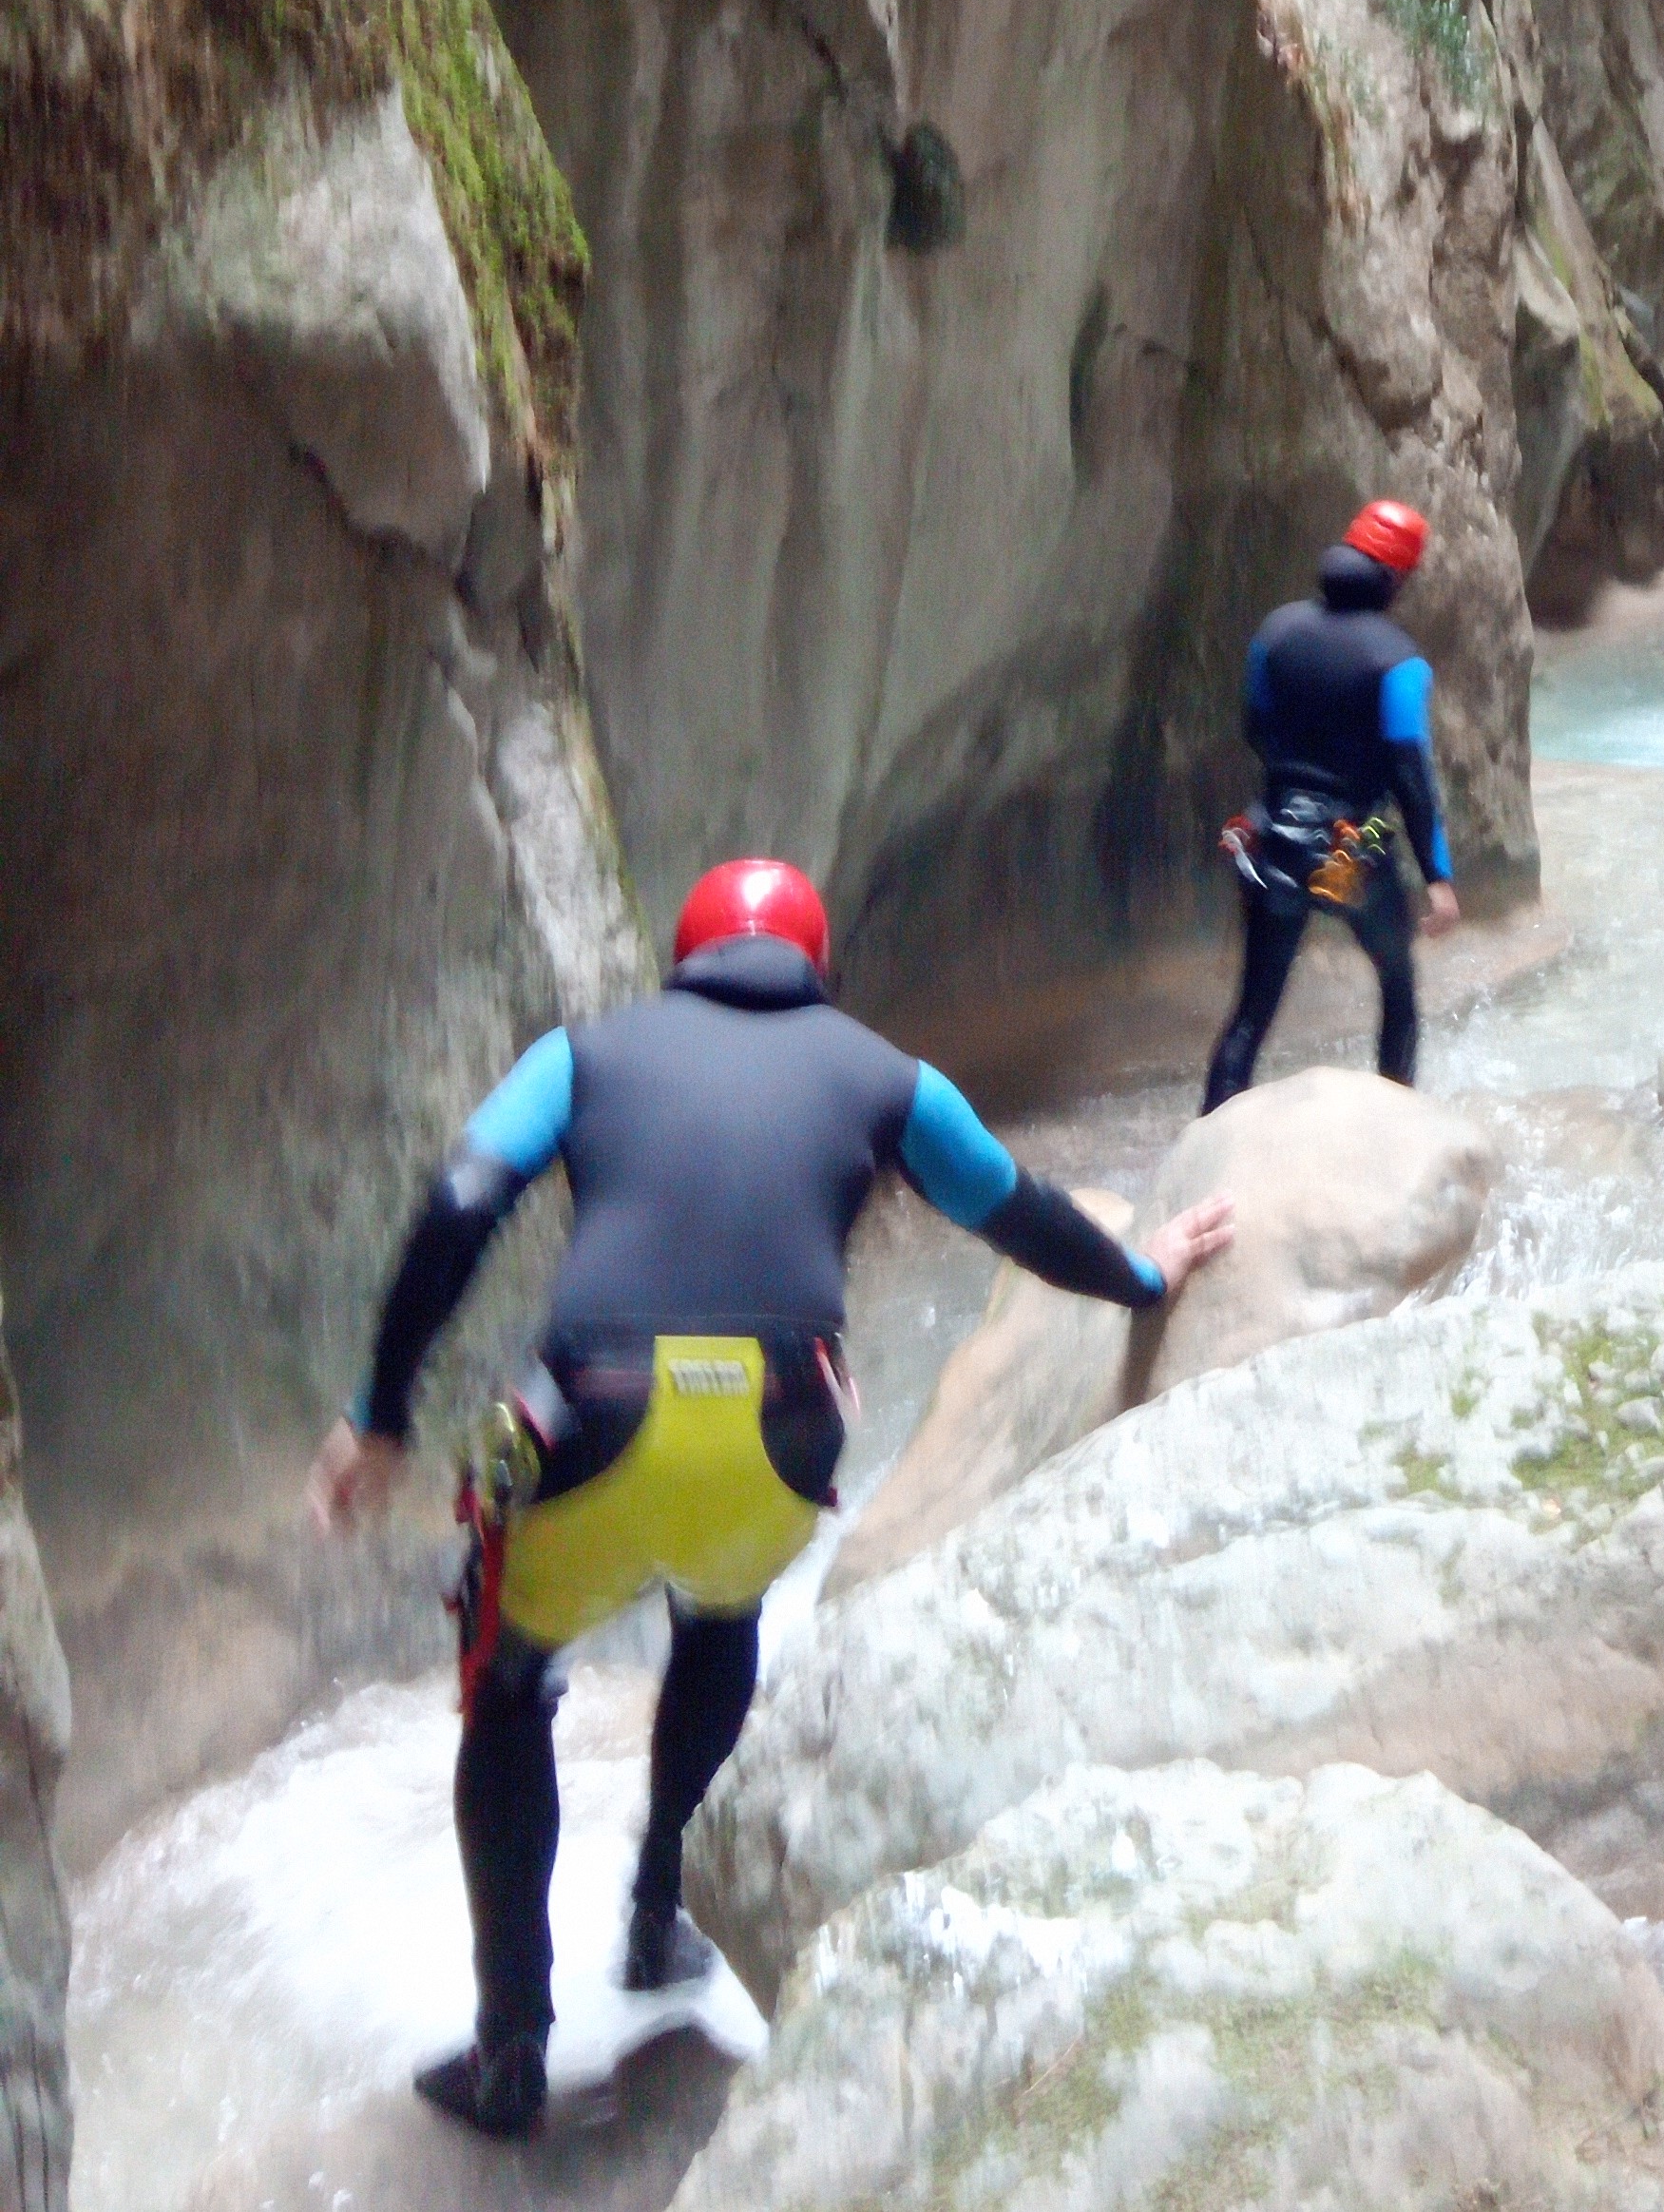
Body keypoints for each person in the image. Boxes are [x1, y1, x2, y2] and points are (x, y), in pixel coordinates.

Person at [304, 858, 1235, 2139]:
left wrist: (381, 1411)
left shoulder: (583, 1051)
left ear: (682, 959)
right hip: (782, 1429)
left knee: (509, 1680)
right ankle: (653, 1915)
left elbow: (463, 1196)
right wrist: (1146, 1272)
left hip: (598, 1412)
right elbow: (1016, 1211)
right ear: (817, 964)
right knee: (723, 1611)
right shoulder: (882, 1074)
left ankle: (511, 2045)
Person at [1201, 499, 1463, 1114]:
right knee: (1397, 987)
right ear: (1397, 578)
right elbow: (1410, 775)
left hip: (1273, 836)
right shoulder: (1398, 661)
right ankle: (1400, 1125)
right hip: (1350, 848)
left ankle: (1202, 1148)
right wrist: (1438, 877)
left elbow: (1255, 727)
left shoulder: (1276, 632)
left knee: (1249, 1015)